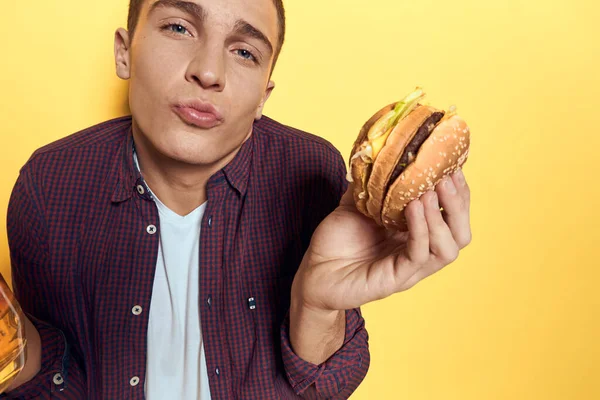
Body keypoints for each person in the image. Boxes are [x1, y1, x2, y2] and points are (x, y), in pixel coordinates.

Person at [3, 0, 472, 399]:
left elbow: (322, 387)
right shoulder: (50, 185)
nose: (208, 72)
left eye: (245, 52)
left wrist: (318, 307)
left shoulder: (311, 172)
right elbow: (54, 378)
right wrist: (20, 356)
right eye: (179, 27)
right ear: (124, 52)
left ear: (265, 93)